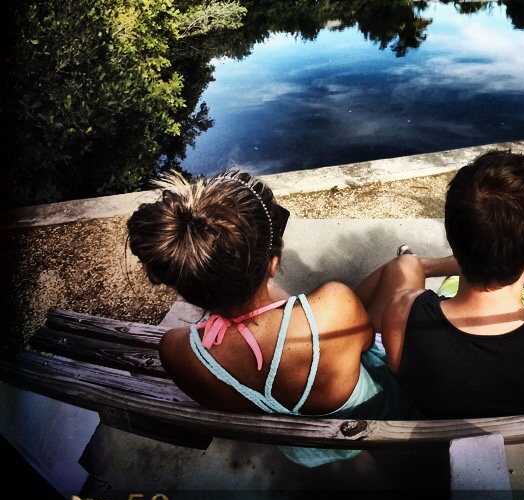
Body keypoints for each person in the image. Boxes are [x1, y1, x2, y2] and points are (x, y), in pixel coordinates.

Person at [126, 169, 406, 466]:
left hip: (305, 450)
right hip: (373, 417)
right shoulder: (334, 305)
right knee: (402, 275)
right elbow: (367, 343)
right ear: (273, 265)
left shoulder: (176, 351)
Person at [368, 149, 524, 428]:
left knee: (404, 266)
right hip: (517, 434)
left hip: (431, 418)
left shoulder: (402, 311)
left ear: (450, 235)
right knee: (406, 266)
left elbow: (400, 366)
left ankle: (415, 262)